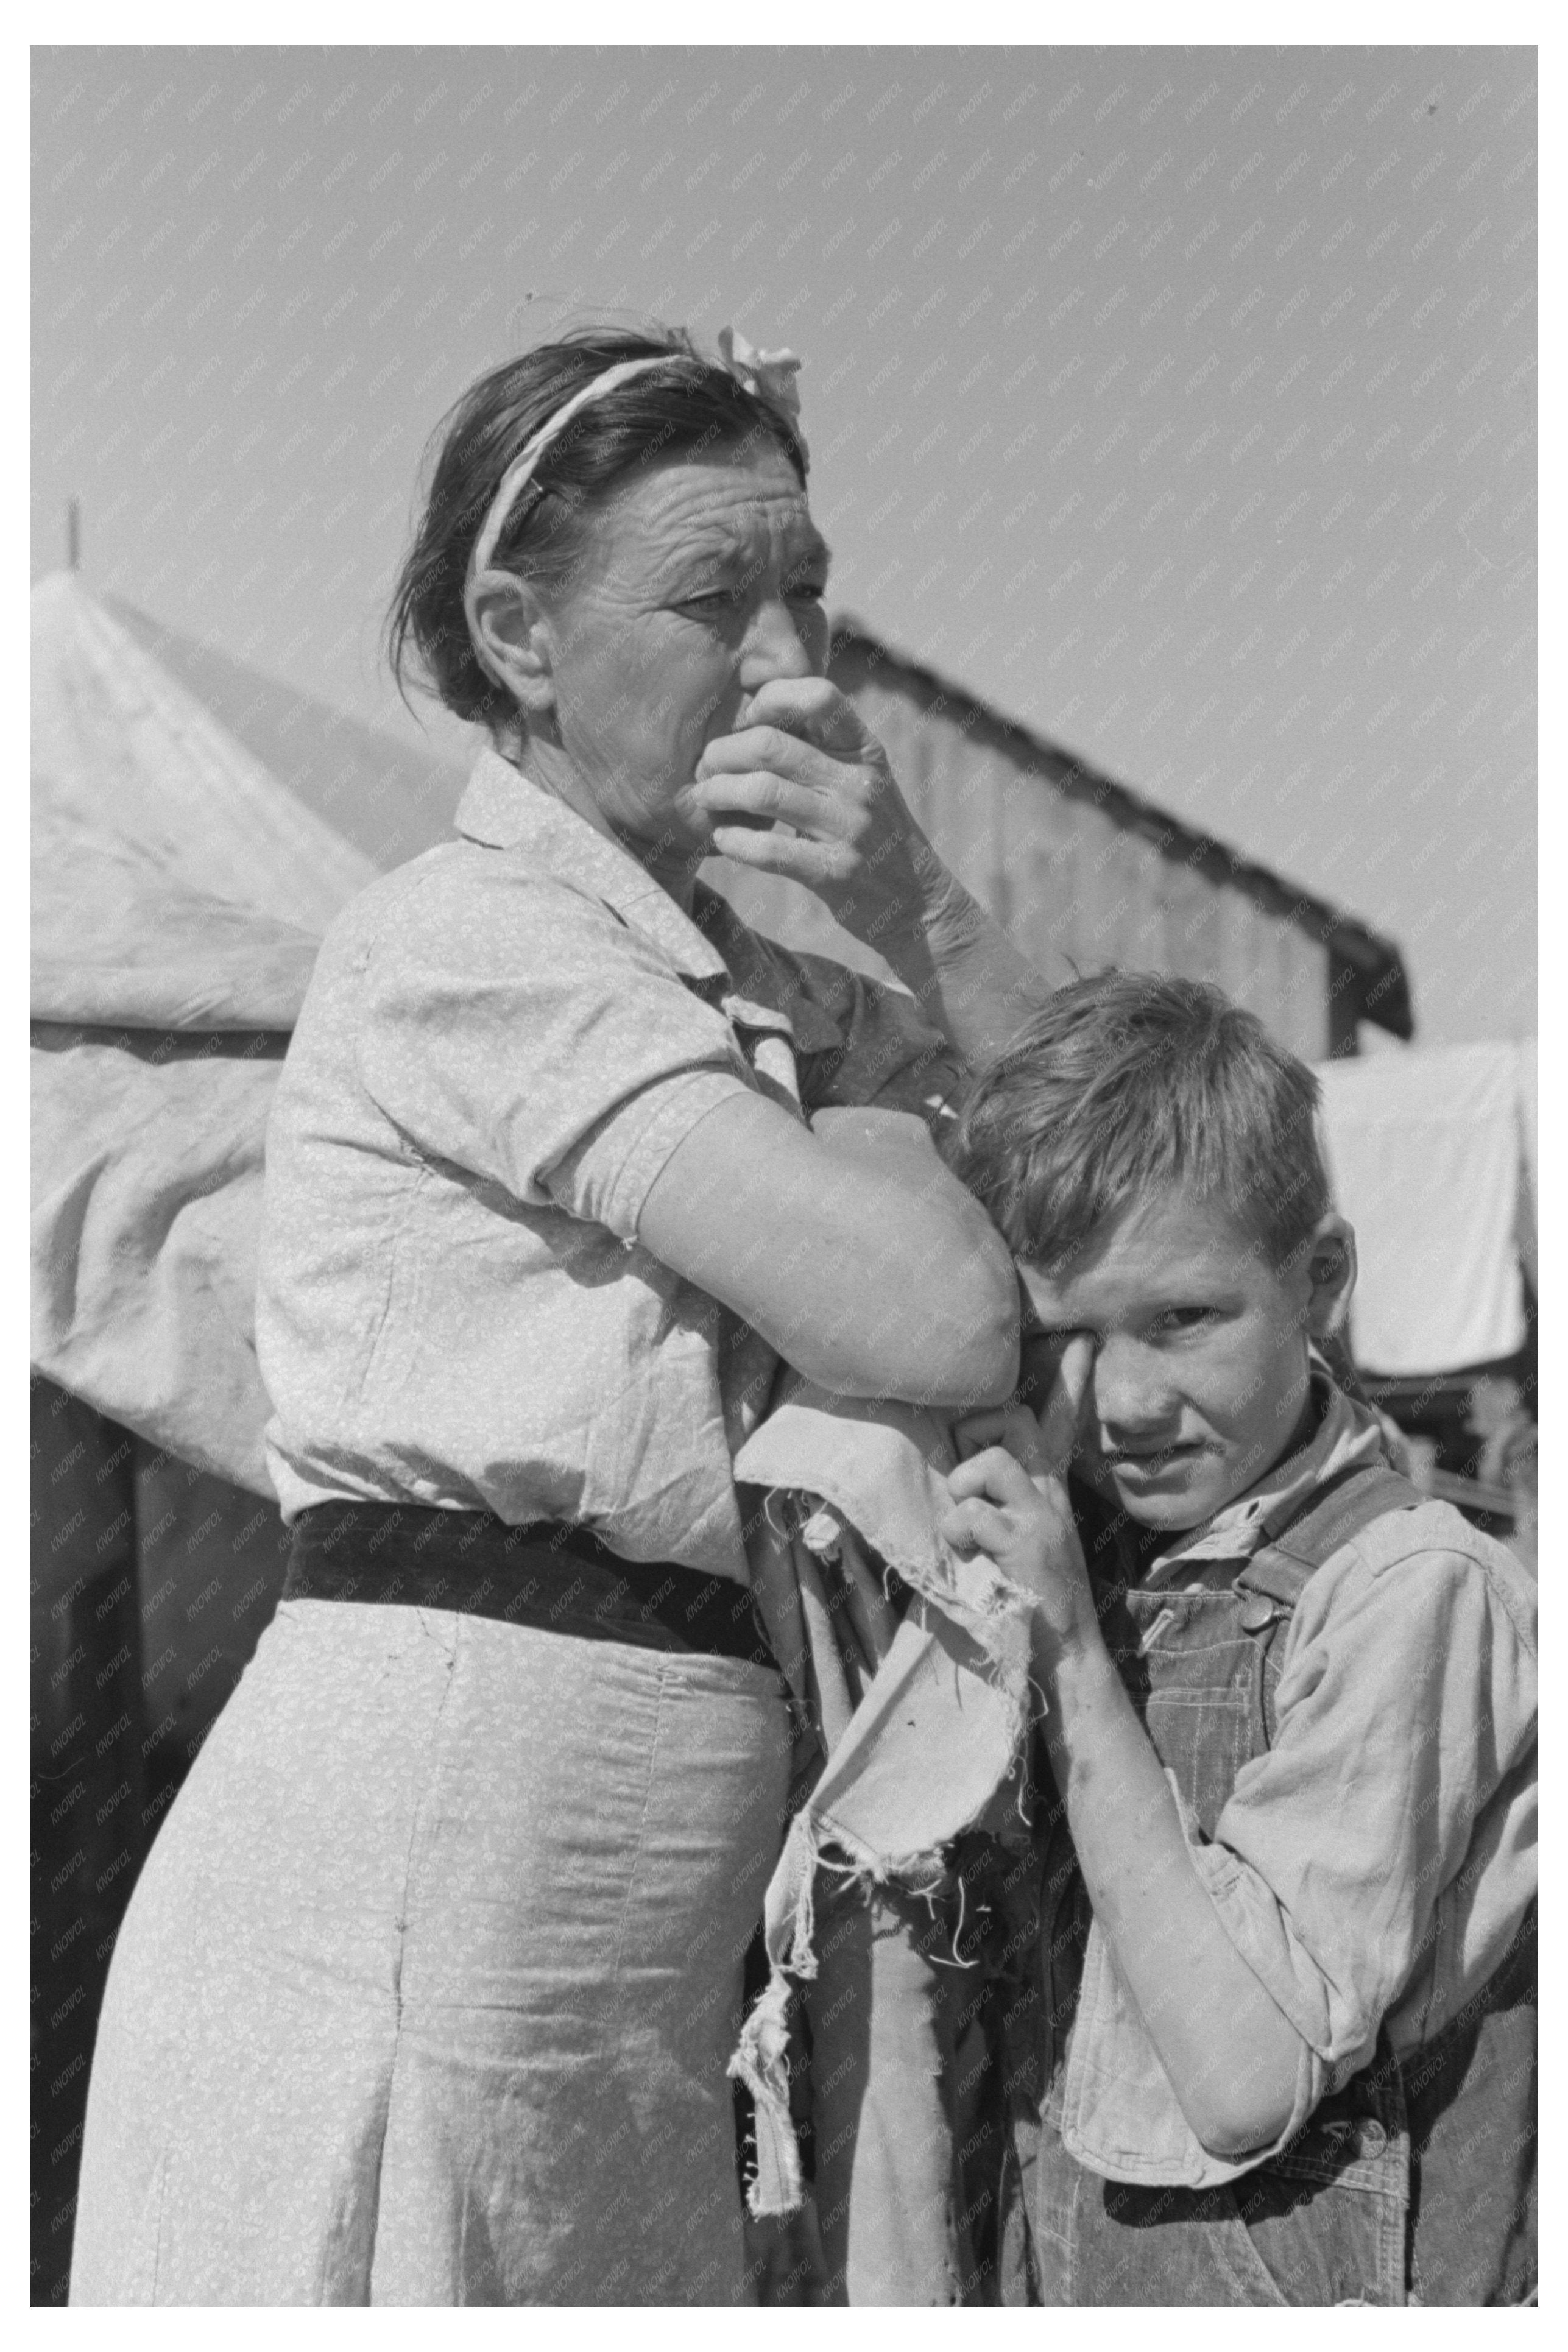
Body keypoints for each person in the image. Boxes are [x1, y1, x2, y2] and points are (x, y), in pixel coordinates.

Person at [69, 323, 1058, 2307]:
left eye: (812, 594)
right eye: (715, 598)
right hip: (429, 1860)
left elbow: (1103, 1202)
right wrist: (898, 1108)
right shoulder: (470, 942)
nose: (796, 667)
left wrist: (926, 928)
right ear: (518, 637)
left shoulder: (764, 983)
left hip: (616, 1897)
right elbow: (950, 1314)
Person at [941, 974, 1538, 2307]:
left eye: (1184, 1318)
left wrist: (1078, 1666)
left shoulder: (1410, 1592)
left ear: (1320, 1278)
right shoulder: (1102, 1548)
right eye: (1062, 1338)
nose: (1124, 1401)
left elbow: (1241, 2073)